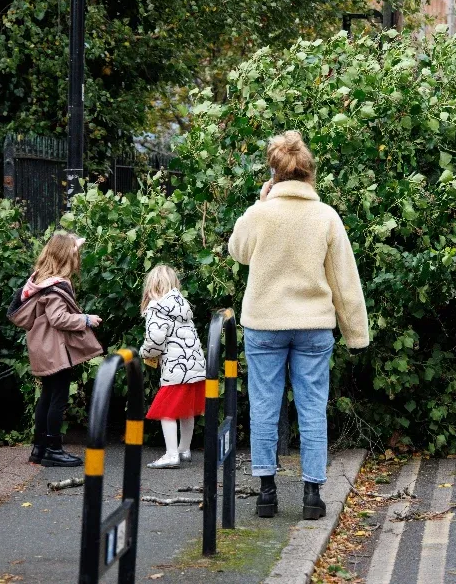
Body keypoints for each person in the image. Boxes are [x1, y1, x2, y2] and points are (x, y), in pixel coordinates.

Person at [228, 130, 369, 520]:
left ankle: (267, 493)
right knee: (311, 408)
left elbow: (238, 252)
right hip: (313, 327)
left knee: (263, 406)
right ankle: (312, 496)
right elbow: (344, 279)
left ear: (273, 174)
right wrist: (355, 332)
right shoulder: (325, 216)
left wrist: (260, 202)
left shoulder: (261, 213)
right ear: (309, 174)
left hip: (265, 324)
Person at [8, 232, 103, 467]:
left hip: (42, 347)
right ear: (66, 257)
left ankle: (39, 450)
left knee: (48, 397)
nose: (77, 258)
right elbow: (58, 318)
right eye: (74, 253)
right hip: (55, 349)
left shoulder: (40, 280)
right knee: (57, 398)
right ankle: (53, 449)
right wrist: (86, 320)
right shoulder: (58, 285)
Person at [139, 264, 207, 469]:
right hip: (195, 368)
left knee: (166, 411)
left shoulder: (157, 308)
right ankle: (183, 448)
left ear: (152, 286)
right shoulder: (182, 306)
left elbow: (155, 341)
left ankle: (171, 454)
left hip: (176, 369)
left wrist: (143, 353)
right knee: (186, 410)